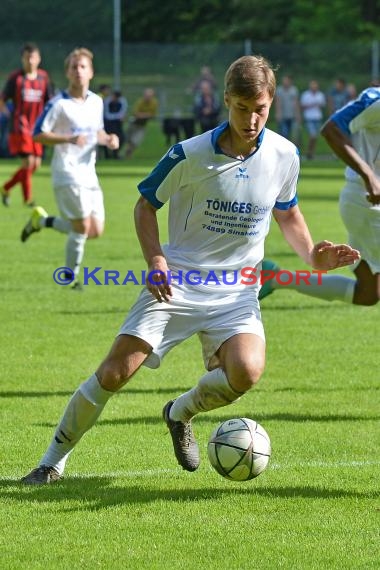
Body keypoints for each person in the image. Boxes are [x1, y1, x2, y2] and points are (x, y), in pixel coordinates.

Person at [20, 55, 359, 485]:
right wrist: (156, 260)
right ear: (225, 101)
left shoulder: (285, 155)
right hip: (176, 283)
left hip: (236, 292)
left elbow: (287, 213)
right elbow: (145, 205)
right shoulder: (189, 153)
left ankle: (179, 412)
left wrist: (313, 255)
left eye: (260, 109)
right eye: (241, 107)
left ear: (271, 104)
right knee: (114, 373)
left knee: (247, 372)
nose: (251, 119)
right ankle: (52, 461)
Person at [260, 84, 380, 306]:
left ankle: (276, 278)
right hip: (369, 202)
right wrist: (369, 176)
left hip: (365, 204)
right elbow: (332, 128)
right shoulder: (376, 100)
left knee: (368, 293)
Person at [19, 47, 119, 289]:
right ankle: (69, 278)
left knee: (95, 230)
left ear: (91, 72)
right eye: (73, 67)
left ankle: (41, 222)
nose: (78, 71)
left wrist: (108, 139)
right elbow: (38, 134)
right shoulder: (58, 104)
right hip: (67, 171)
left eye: (82, 66)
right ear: (67, 73)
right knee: (82, 227)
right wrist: (67, 139)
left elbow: (97, 131)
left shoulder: (96, 101)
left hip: (89, 173)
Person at [0, 42, 53, 206]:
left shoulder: (43, 78)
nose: (30, 61)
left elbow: (50, 101)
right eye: (27, 57)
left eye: (33, 57)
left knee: (35, 165)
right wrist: (5, 112)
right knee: (28, 163)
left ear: (39, 59)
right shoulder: (16, 78)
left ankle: (6, 187)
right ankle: (28, 199)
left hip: (37, 127)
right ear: (22, 59)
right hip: (20, 127)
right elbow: (2, 98)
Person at [124, 88, 159, 158]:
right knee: (128, 139)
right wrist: (146, 115)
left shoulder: (154, 103)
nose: (147, 97)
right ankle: (126, 154)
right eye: (146, 96)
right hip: (134, 123)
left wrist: (143, 115)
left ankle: (128, 153)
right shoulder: (140, 102)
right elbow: (135, 113)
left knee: (136, 141)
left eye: (149, 96)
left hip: (142, 125)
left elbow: (153, 115)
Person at [300, 80, 326, 159]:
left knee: (315, 137)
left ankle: (311, 153)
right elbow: (302, 106)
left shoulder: (320, 95)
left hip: (317, 117)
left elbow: (323, 105)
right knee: (312, 135)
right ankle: (309, 152)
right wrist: (311, 104)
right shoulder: (305, 95)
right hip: (309, 118)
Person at [275, 75, 301, 144]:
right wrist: (278, 114)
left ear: (290, 81)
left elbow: (296, 103)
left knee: (294, 135)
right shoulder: (279, 90)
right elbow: (278, 103)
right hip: (283, 116)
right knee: (284, 134)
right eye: (284, 80)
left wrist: (298, 115)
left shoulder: (294, 90)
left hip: (293, 116)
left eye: (286, 80)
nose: (285, 82)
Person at [103, 90, 128, 158]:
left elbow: (122, 112)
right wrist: (118, 117)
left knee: (121, 138)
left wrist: (119, 117)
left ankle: (115, 154)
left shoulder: (122, 101)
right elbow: (107, 115)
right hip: (107, 123)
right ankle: (107, 155)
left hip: (117, 124)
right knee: (106, 138)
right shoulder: (107, 101)